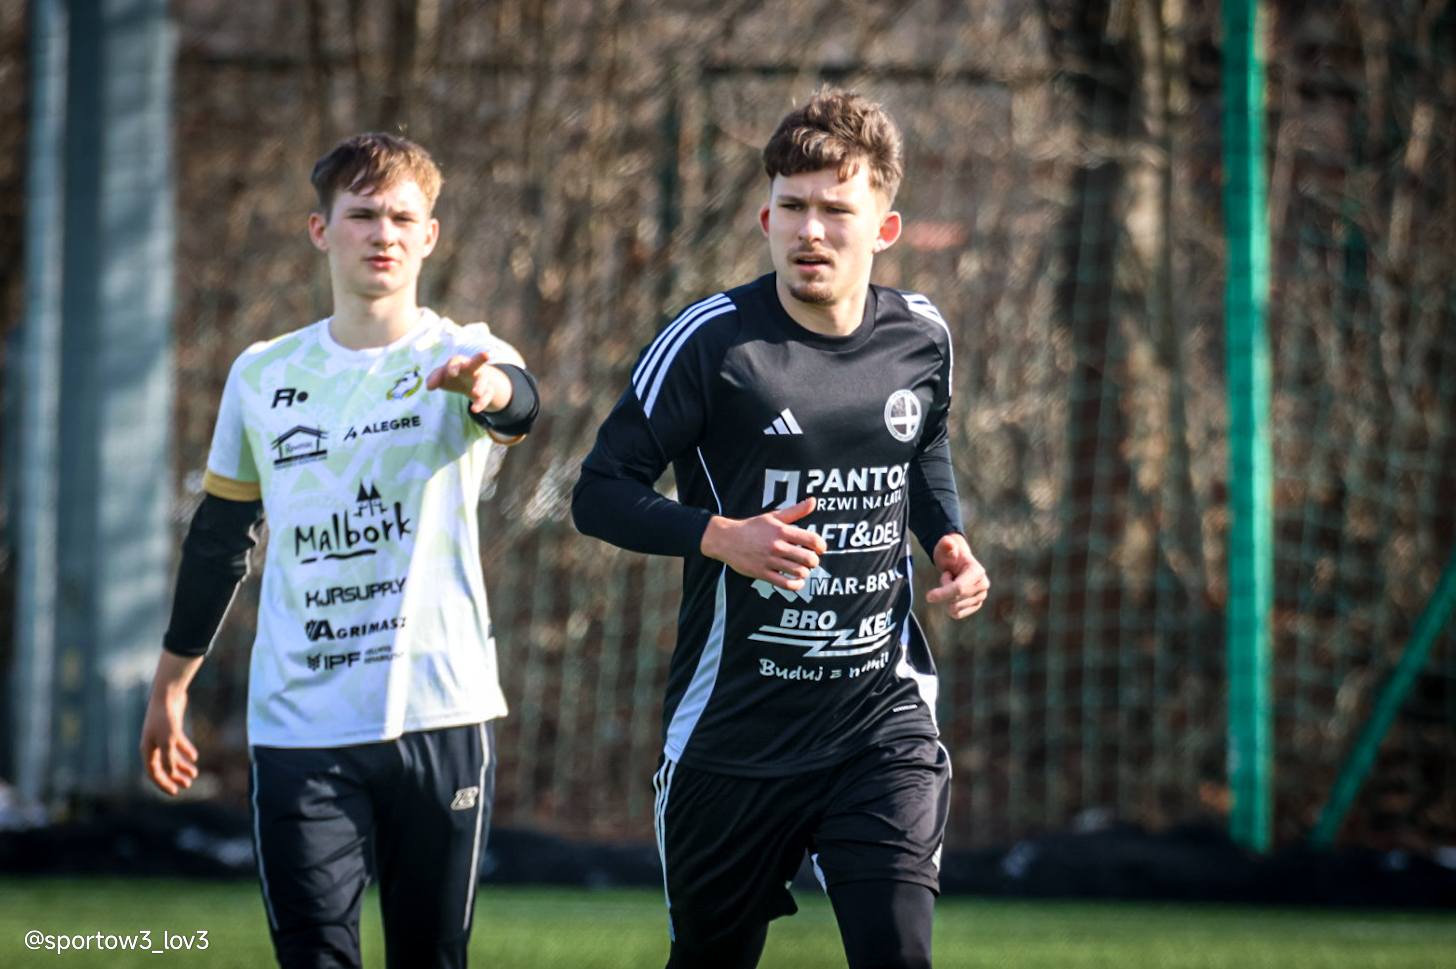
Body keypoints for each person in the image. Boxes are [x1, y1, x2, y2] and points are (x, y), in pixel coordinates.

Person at [572, 89, 990, 969]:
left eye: (836, 210)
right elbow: (599, 492)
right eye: (792, 207)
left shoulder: (921, 336)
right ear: (766, 217)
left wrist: (947, 537)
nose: (811, 231)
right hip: (733, 735)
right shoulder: (711, 345)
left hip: (879, 719)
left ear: (884, 227)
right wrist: (720, 535)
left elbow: (922, 445)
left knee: (899, 954)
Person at [139, 132, 539, 969]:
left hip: (440, 714)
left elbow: (518, 403)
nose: (383, 233)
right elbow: (220, 539)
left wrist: (486, 387)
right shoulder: (261, 374)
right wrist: (171, 683)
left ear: (430, 235)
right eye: (362, 215)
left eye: (402, 217)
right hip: (301, 724)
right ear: (321, 230)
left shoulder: (462, 351)